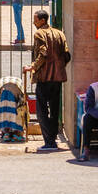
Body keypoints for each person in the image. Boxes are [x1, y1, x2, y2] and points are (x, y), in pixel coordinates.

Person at [23, 9, 70, 151]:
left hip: (44, 77)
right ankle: (53, 139)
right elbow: (67, 55)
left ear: (42, 21)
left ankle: (48, 142)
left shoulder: (39, 34)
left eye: (35, 20)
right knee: (55, 109)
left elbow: (43, 53)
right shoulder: (59, 34)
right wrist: (59, 67)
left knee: (42, 110)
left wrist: (32, 67)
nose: (33, 22)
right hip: (57, 78)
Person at [0, 75, 28, 143]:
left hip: (4, 105)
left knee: (5, 116)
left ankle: (6, 132)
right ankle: (15, 133)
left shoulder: (2, 102)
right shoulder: (18, 104)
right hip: (15, 104)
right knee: (16, 117)